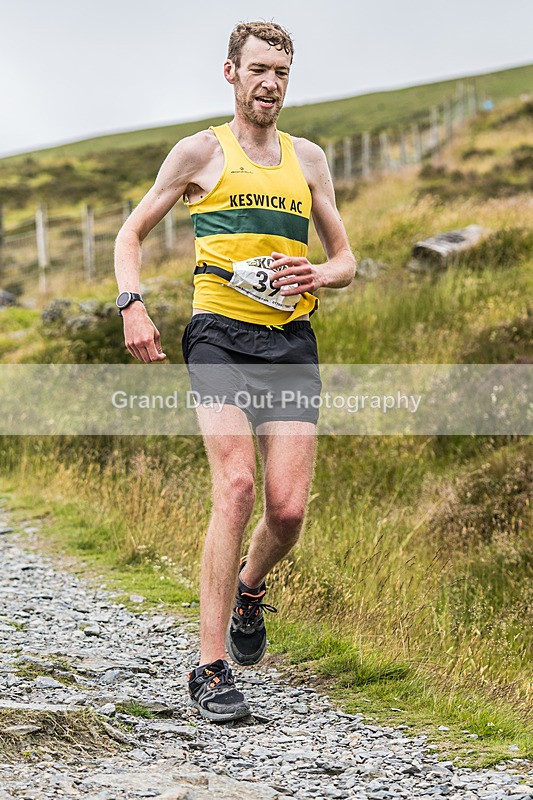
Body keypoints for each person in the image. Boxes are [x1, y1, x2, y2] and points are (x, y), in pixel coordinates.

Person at [114, 20, 355, 722]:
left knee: (286, 510)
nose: (269, 83)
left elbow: (345, 259)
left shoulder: (307, 159)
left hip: (290, 341)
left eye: (280, 71)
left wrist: (320, 270)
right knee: (238, 487)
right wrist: (132, 302)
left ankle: (251, 588)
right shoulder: (199, 151)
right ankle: (210, 667)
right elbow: (132, 233)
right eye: (257, 69)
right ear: (230, 73)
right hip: (218, 336)